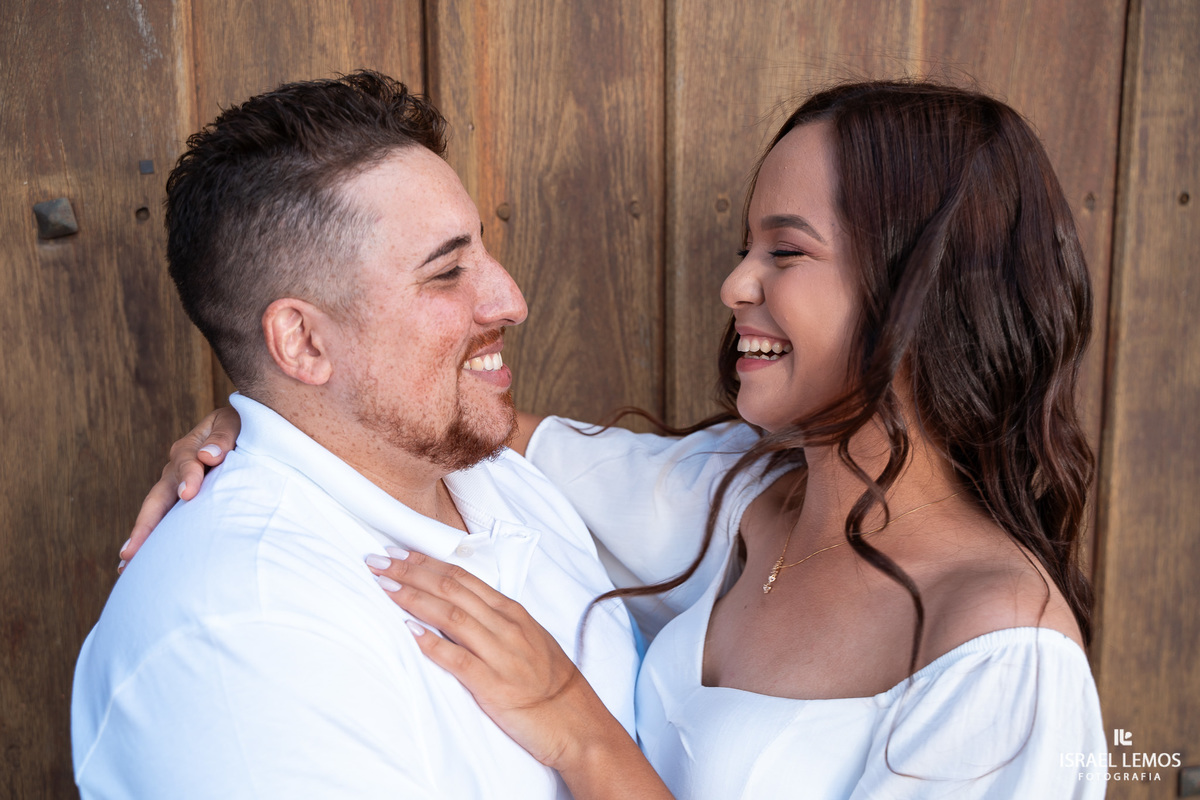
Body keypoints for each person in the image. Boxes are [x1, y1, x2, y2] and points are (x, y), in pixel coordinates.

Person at [128, 81, 1107, 798]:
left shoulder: (1000, 654)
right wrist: (267, 416)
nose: (734, 285)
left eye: (786, 250)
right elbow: (449, 419)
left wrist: (587, 738)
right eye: (743, 246)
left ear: (922, 287)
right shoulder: (728, 492)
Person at [71, 70, 649, 800]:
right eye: (446, 274)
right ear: (303, 342)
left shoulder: (499, 479)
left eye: (483, 250)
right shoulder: (243, 632)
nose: (510, 300)